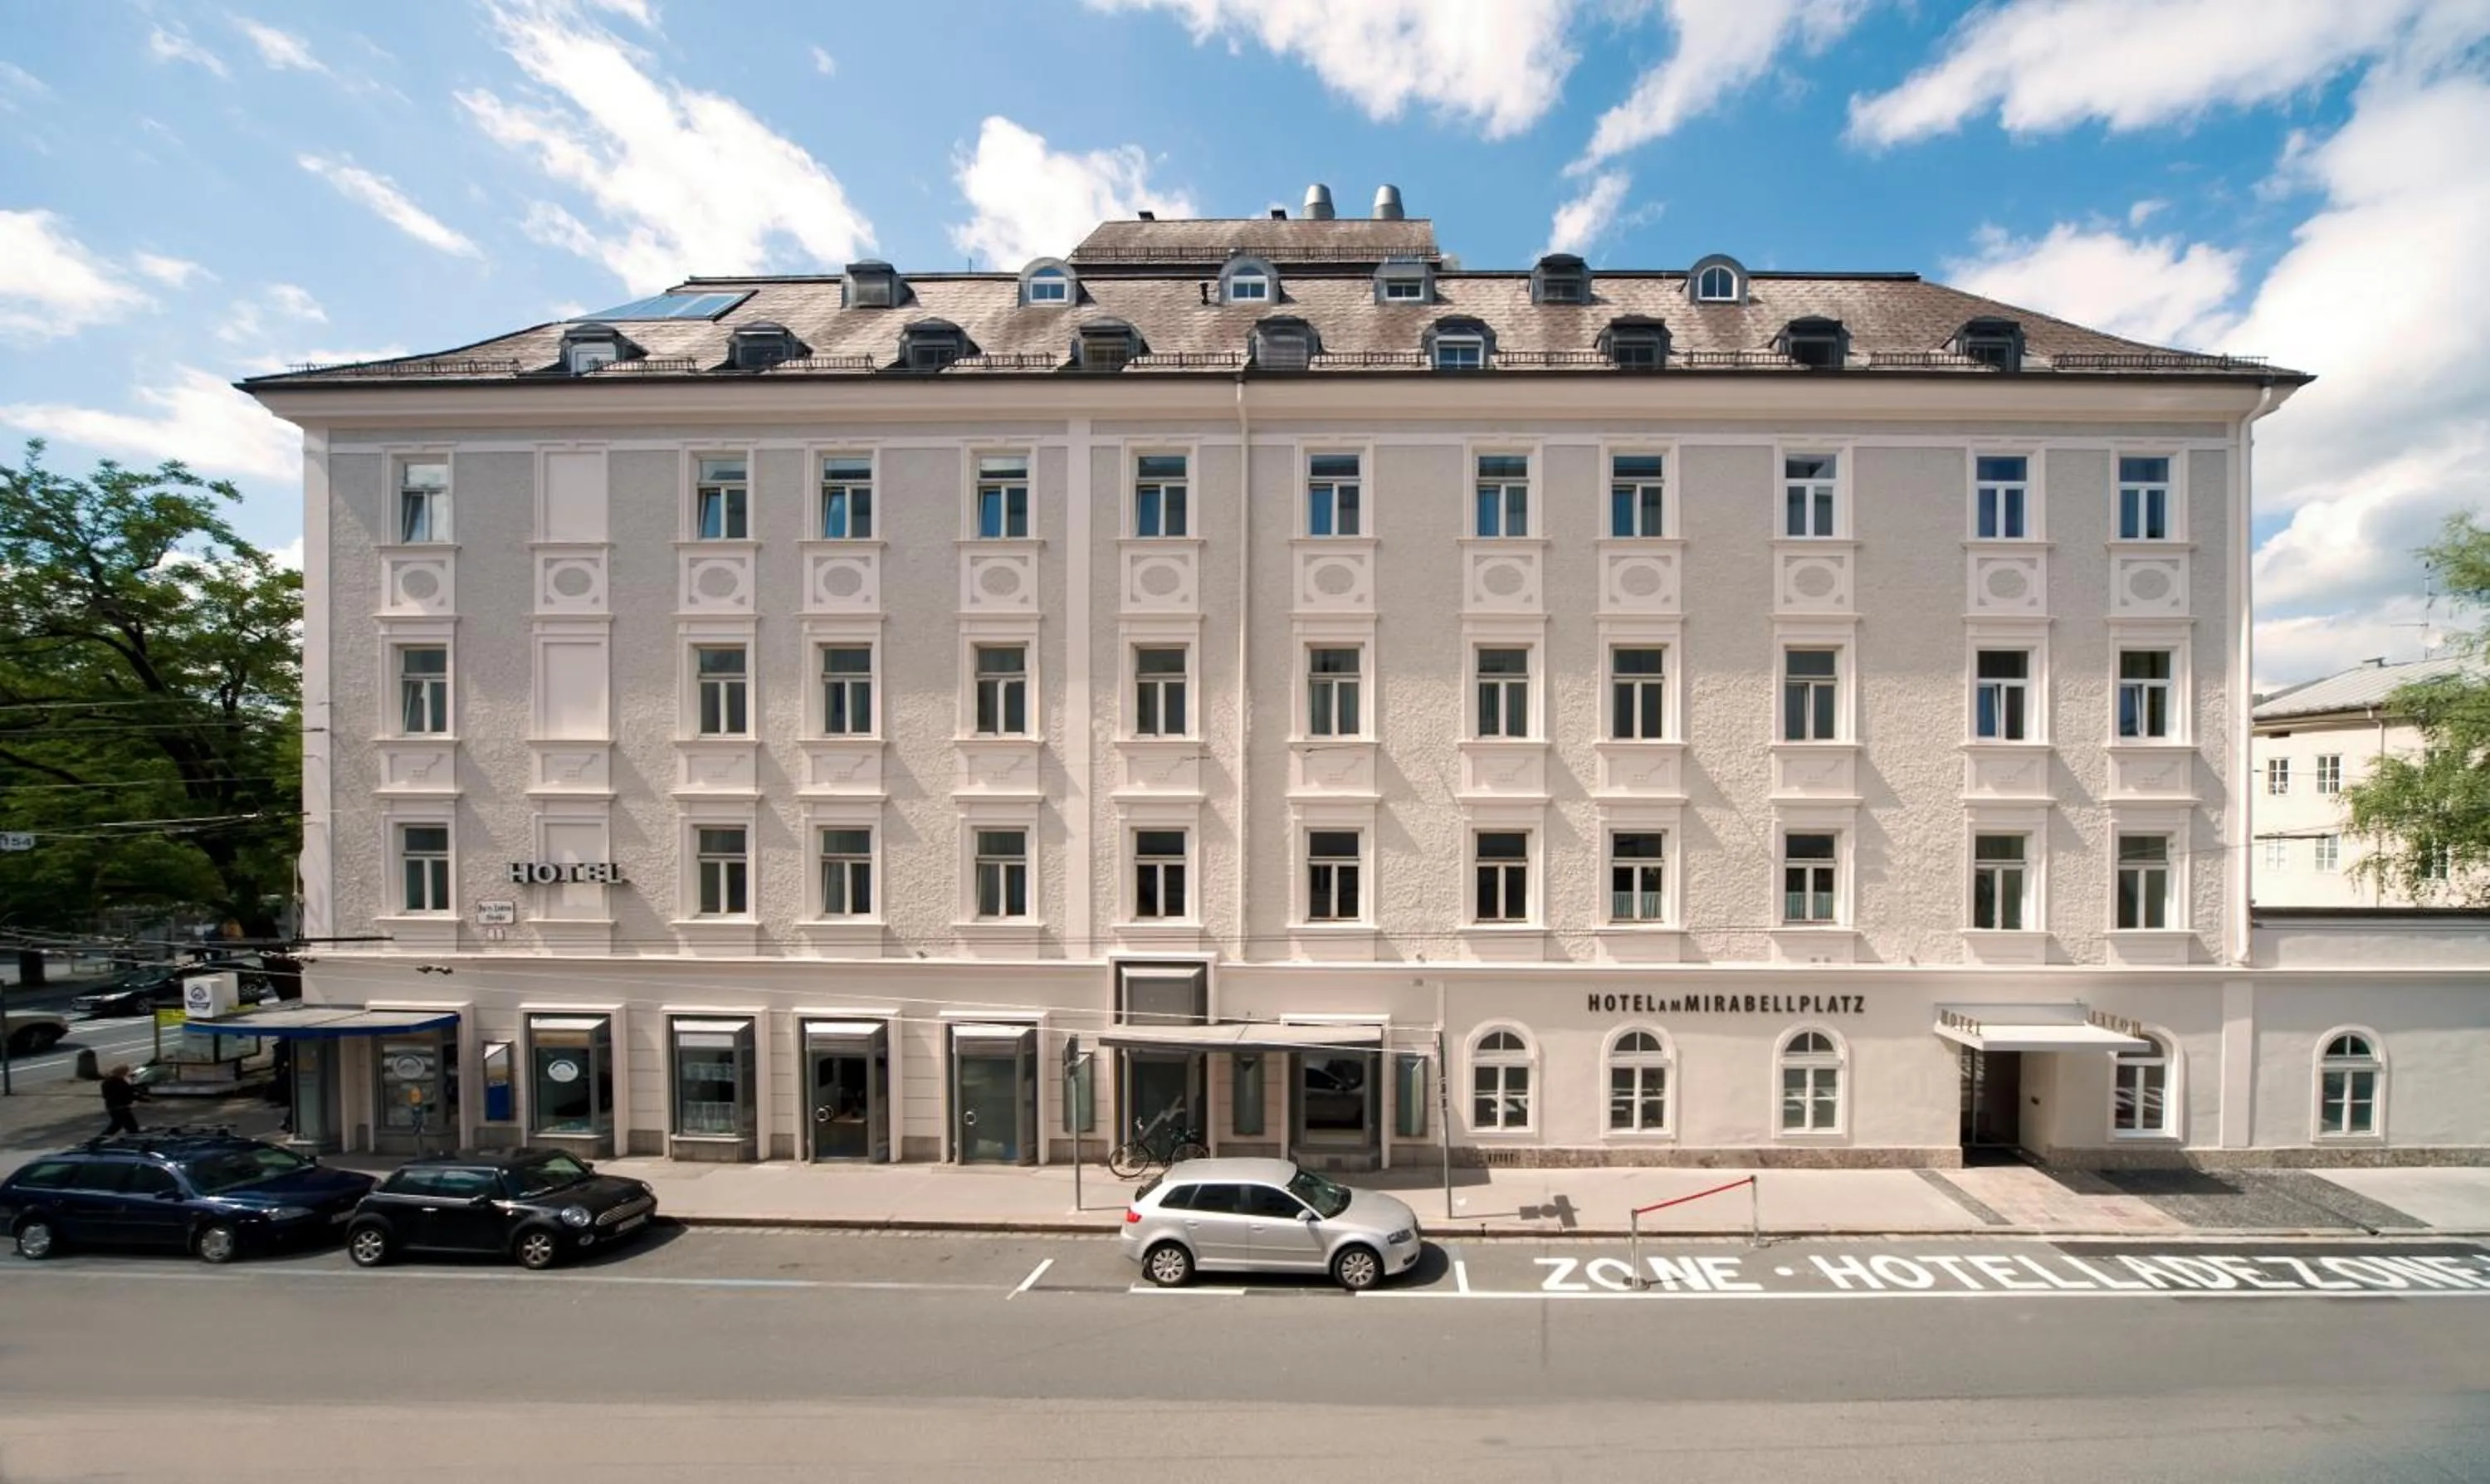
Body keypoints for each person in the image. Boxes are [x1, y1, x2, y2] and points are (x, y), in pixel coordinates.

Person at [100, 1064, 142, 1136]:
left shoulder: (110, 1081)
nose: (126, 1074)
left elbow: (129, 1090)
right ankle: (100, 1138)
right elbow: (127, 1093)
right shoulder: (117, 1082)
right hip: (120, 1107)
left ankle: (101, 1138)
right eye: (126, 1072)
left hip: (114, 1107)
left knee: (117, 1125)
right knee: (131, 1127)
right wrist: (143, 1099)